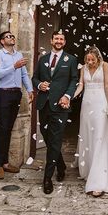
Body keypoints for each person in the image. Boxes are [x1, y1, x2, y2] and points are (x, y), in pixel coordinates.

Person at [32, 31, 79, 194]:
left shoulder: (71, 60)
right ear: (51, 40)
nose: (58, 41)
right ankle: (61, 165)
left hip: (60, 106)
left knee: (56, 139)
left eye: (61, 39)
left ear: (64, 42)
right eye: (56, 38)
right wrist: (39, 86)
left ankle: (47, 178)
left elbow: (74, 80)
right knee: (48, 137)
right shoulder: (43, 59)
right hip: (44, 104)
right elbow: (34, 78)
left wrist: (67, 96)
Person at [73, 46, 108, 197]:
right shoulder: (83, 68)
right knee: (88, 136)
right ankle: (89, 168)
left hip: (100, 104)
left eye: (92, 59)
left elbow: (107, 85)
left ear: (98, 58)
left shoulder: (104, 66)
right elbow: (81, 85)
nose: (90, 62)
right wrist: (71, 96)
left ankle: (98, 181)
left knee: (100, 138)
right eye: (87, 59)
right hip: (86, 105)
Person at [0, 30, 34, 179]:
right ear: (2, 41)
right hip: (3, 93)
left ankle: (5, 163)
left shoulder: (19, 55)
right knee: (2, 127)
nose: (12, 38)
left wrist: (29, 90)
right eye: (8, 36)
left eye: (12, 36)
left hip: (16, 93)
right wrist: (13, 66)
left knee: (9, 128)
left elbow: (24, 75)